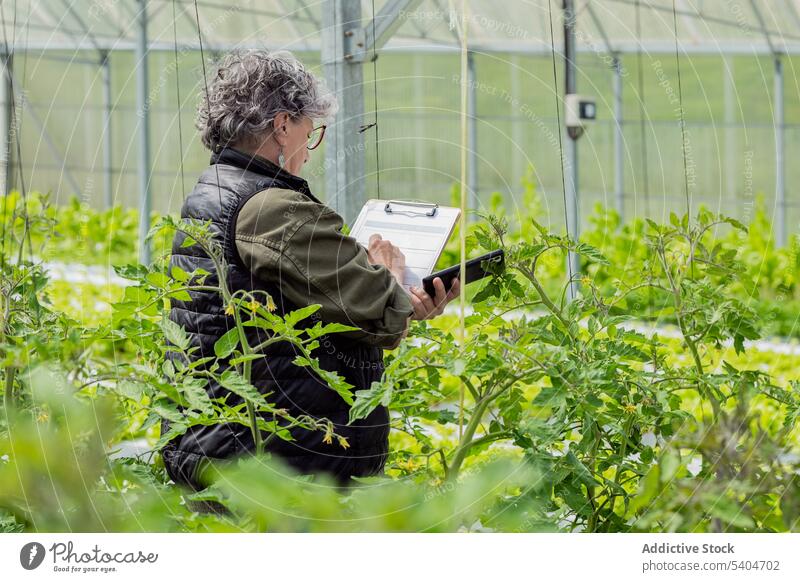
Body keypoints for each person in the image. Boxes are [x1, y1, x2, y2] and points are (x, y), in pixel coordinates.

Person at [160, 49, 460, 490]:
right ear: (282, 126)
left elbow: (306, 313)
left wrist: (395, 304)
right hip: (276, 464)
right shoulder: (271, 207)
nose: (309, 148)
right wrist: (390, 276)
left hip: (220, 446)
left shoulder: (213, 192)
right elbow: (378, 303)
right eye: (310, 131)